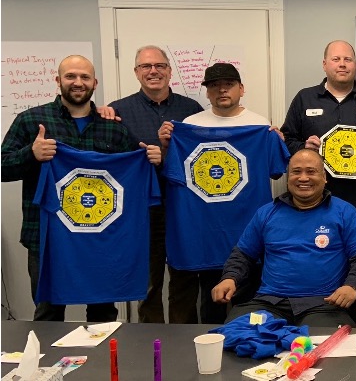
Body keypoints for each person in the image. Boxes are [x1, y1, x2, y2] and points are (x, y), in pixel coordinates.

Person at [1, 55, 162, 322]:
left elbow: (135, 171)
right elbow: (2, 167)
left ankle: (102, 353)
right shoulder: (31, 120)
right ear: (58, 80)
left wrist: (153, 159)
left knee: (103, 315)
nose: (78, 82)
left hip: (102, 238)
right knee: (48, 314)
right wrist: (31, 153)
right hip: (47, 238)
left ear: (94, 83)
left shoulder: (113, 128)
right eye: (71, 76)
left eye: (85, 77)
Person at [156, 63, 284, 324]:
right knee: (210, 304)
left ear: (241, 89)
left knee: (247, 305)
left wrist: (274, 140)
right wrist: (168, 145)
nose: (222, 90)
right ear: (207, 92)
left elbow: (276, 173)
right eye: (214, 85)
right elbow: (174, 175)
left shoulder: (260, 125)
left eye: (228, 84)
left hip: (246, 231)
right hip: (204, 233)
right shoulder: (189, 126)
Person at [211, 149, 356, 327]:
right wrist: (230, 278)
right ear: (288, 177)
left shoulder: (345, 212)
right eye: (296, 172)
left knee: (324, 343)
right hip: (269, 303)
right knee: (236, 334)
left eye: (311, 171)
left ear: (324, 177)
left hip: (324, 304)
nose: (303, 178)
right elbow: (243, 254)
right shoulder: (266, 213)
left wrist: (352, 286)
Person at [101, 45, 203, 324]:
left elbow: (202, 158)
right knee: (148, 281)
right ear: (136, 72)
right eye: (146, 66)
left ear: (169, 71)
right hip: (141, 210)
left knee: (185, 278)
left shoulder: (192, 109)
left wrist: (167, 155)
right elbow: (110, 162)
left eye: (159, 65)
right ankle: (152, 339)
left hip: (184, 208)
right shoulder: (117, 111)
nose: (153, 71)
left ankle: (184, 336)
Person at [280, 40, 356, 255]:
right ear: (324, 64)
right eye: (336, 59)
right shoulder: (304, 98)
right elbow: (286, 139)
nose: (342, 64)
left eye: (348, 59)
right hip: (314, 198)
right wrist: (304, 148)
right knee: (317, 253)